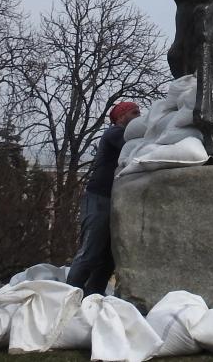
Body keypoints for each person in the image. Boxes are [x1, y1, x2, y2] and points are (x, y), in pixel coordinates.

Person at [67, 101, 141, 295]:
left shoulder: (128, 134)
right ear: (121, 116)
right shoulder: (115, 133)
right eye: (135, 112)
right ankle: (68, 297)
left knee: (108, 258)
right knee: (90, 252)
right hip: (98, 198)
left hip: (115, 202)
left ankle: (93, 299)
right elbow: (138, 148)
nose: (139, 116)